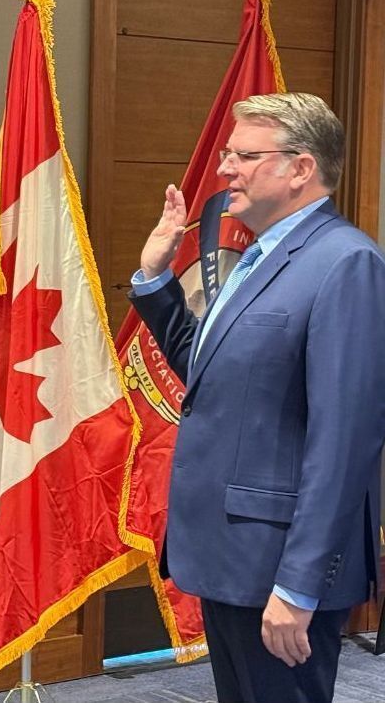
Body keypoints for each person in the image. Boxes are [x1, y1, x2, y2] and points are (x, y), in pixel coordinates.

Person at [130, 93, 385, 703]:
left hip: (278, 565)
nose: (225, 170)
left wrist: (299, 587)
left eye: (244, 156)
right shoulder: (258, 259)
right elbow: (207, 369)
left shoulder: (346, 263)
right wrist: (155, 278)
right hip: (230, 555)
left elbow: (344, 442)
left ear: (301, 168)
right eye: (226, 154)